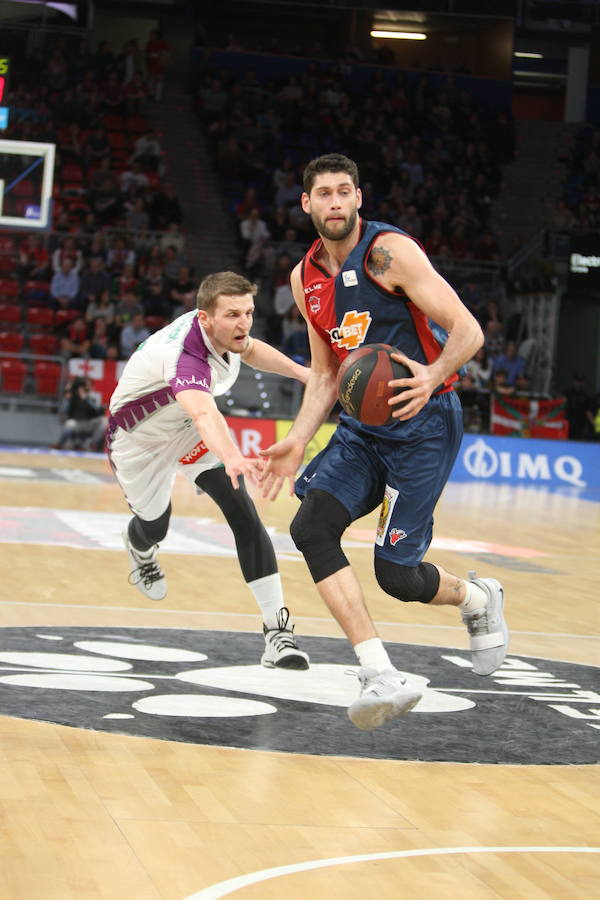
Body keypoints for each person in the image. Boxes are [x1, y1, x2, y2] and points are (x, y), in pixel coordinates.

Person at [260, 153, 509, 730]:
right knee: (310, 527)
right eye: (324, 194)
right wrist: (298, 439)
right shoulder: (305, 279)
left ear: (359, 198)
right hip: (360, 431)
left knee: (395, 575)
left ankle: (477, 600)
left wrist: (432, 372)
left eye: (345, 191)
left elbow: (468, 329)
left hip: (424, 426)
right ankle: (379, 672)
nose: (336, 202)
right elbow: (325, 372)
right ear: (307, 204)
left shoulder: (389, 253)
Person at [107, 271, 311, 669]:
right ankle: (140, 547)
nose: (244, 323)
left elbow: (251, 350)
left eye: (249, 312)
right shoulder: (185, 355)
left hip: (184, 431)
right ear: (205, 318)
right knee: (155, 525)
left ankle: (277, 632)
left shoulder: (224, 332)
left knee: (243, 511)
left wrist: (306, 375)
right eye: (234, 315)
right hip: (139, 441)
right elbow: (203, 412)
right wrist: (233, 456)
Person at [57, 377, 106, 450]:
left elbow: (98, 412)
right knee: (69, 424)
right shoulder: (71, 397)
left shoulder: (92, 397)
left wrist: (86, 399)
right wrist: (67, 394)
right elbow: (63, 410)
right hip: (76, 423)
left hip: (89, 423)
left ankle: (92, 444)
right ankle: (60, 444)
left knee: (104, 420)